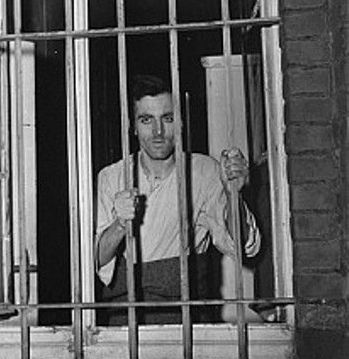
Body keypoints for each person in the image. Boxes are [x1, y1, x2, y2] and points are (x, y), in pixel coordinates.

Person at [95, 75, 260, 325]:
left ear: (181, 122)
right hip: (125, 317)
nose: (158, 132)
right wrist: (119, 224)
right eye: (146, 120)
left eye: (168, 118)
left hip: (186, 317)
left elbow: (244, 247)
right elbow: (97, 258)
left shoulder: (204, 171)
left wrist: (233, 194)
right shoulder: (112, 176)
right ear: (133, 126)